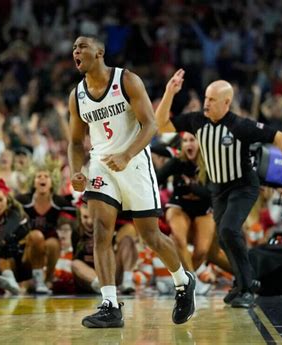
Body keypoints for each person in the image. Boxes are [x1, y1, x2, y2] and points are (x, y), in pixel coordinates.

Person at [68, 36, 195, 328]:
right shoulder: (77, 95)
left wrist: (126, 155)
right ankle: (110, 304)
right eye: (74, 48)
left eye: (82, 46)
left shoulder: (126, 80)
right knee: (101, 231)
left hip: (135, 160)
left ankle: (182, 280)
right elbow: (75, 142)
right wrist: (76, 170)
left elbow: (151, 124)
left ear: (99, 52)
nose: (76, 51)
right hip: (101, 163)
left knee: (150, 235)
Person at [155, 68, 282, 308]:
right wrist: (170, 92)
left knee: (230, 230)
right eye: (205, 98)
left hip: (243, 186)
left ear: (226, 103)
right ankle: (243, 283)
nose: (206, 103)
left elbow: (281, 137)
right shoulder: (196, 121)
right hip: (218, 189)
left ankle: (247, 287)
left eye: (212, 100)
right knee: (223, 238)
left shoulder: (240, 125)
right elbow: (161, 124)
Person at [156, 132, 232, 294]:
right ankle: (192, 283)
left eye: (192, 140)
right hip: (179, 206)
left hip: (203, 209)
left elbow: (212, 194)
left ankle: (179, 282)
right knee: (179, 239)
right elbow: (156, 178)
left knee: (203, 251)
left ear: (201, 144)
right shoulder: (177, 161)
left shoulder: (212, 163)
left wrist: (191, 186)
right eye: (185, 141)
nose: (188, 144)